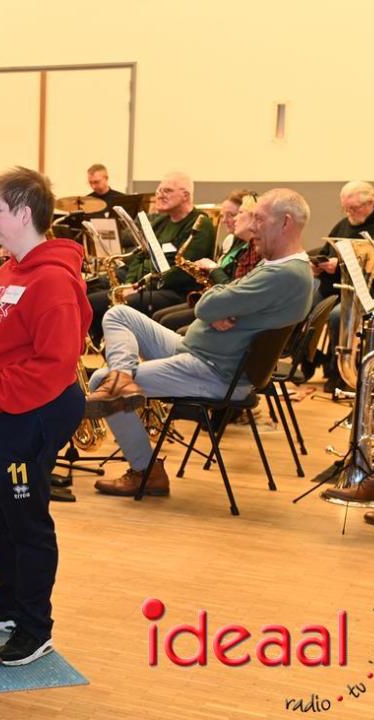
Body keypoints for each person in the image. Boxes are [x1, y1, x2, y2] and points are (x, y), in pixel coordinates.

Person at [88, 188, 315, 497]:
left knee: (101, 382)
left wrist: (215, 306)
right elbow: (218, 300)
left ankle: (145, 471)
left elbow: (207, 306)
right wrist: (218, 305)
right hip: (198, 352)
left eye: (260, 219)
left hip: (213, 370)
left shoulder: (285, 275)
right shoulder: (279, 266)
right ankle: (124, 377)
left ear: (285, 222)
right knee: (119, 314)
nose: (253, 227)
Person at [0, 167, 89, 666]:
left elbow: (52, 367)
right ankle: (7, 601)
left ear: (25, 213)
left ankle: (34, 627)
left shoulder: (51, 280)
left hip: (32, 412)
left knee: (27, 523)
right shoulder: (7, 269)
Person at [86, 172, 214, 345]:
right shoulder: (161, 221)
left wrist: (140, 287)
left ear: (185, 195)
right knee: (91, 293)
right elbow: (140, 256)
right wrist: (129, 284)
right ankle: (100, 345)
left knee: (108, 303)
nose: (159, 195)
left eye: (167, 191)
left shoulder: (200, 223)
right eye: (159, 190)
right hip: (148, 285)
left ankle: (117, 349)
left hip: (176, 290)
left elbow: (182, 272)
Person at [310, 181, 374, 393]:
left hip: (367, 292)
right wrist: (318, 265)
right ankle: (308, 361)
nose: (349, 213)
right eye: (345, 208)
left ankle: (337, 372)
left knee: (337, 316)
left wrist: (339, 265)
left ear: (371, 203)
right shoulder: (343, 224)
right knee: (304, 304)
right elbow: (326, 252)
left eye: (353, 208)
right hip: (334, 288)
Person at [151, 190, 262, 333]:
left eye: (235, 214)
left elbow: (236, 292)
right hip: (218, 298)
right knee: (160, 317)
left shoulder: (256, 251)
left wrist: (213, 269)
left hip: (228, 307)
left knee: (169, 321)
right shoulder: (235, 242)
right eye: (223, 215)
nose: (227, 220)